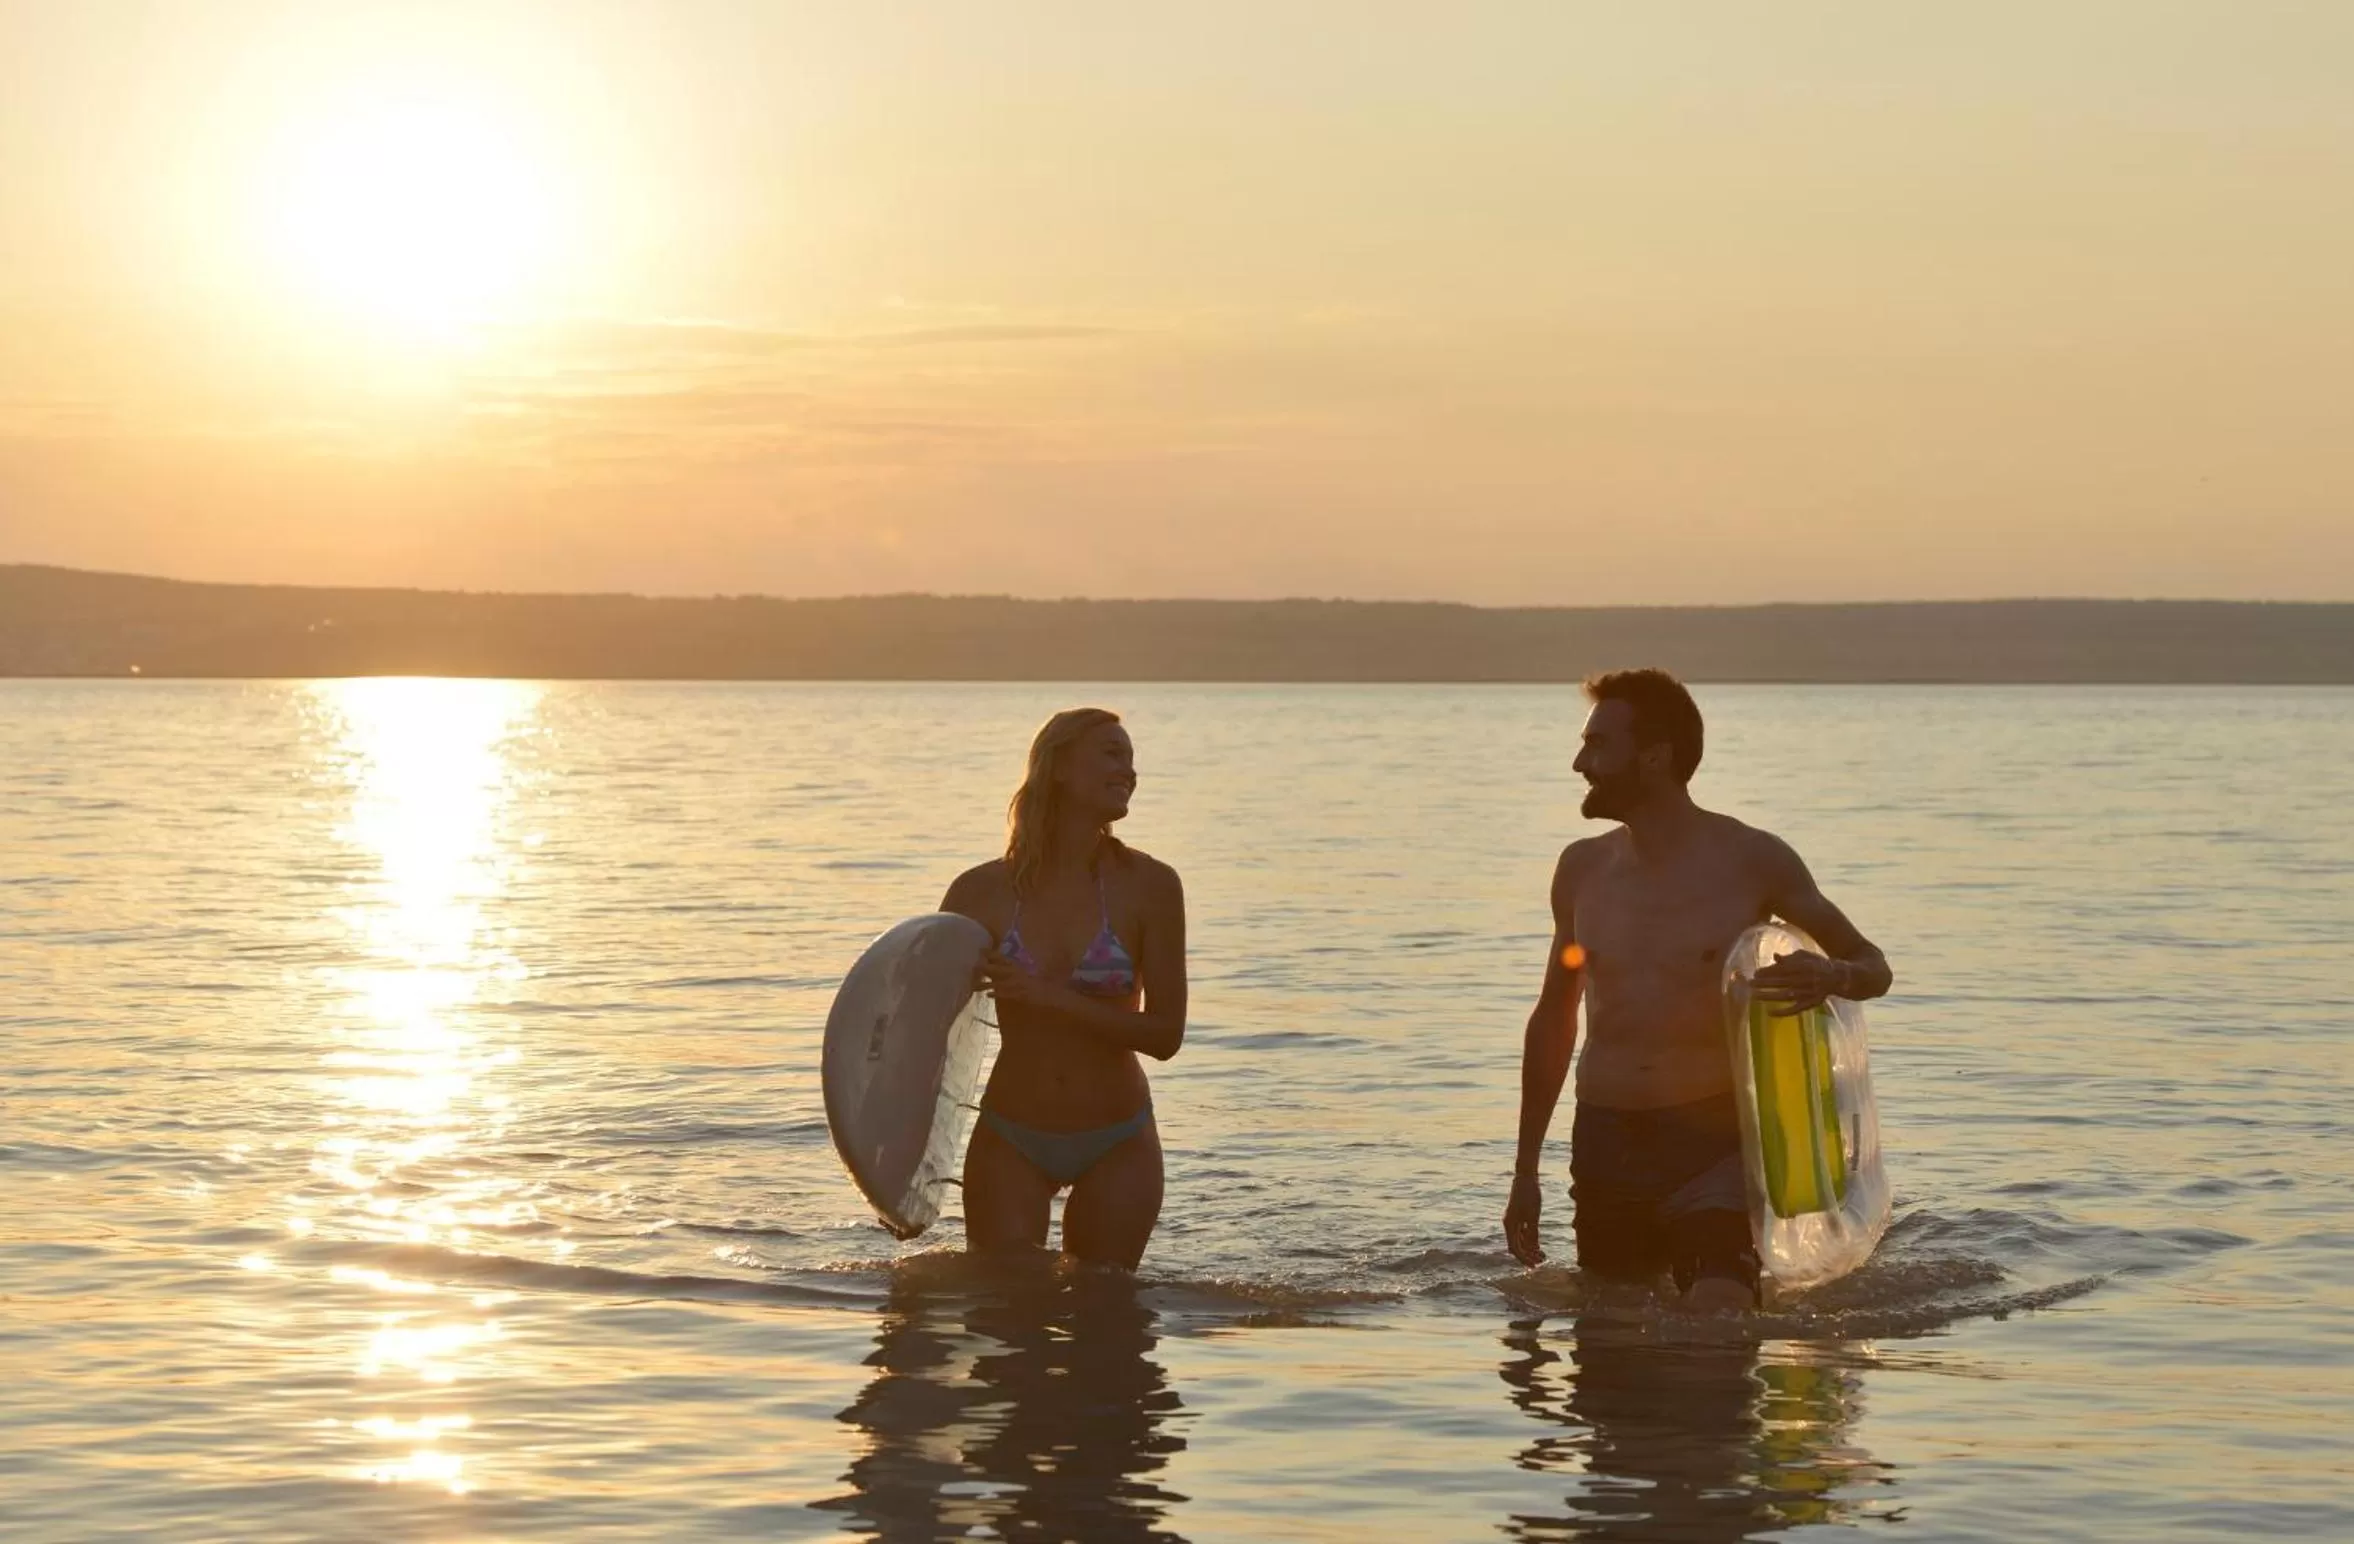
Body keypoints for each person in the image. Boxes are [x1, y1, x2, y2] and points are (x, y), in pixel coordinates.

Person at [1503, 668, 1891, 1310]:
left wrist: (1832, 975)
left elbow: (1872, 965)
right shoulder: (1581, 870)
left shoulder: (1752, 860)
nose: (1579, 763)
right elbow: (1554, 1020)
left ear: (1655, 756)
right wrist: (1524, 1173)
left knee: (1719, 1324)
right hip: (1605, 1142)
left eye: (1598, 745)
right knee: (1613, 1340)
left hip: (1712, 1142)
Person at [940, 708, 1187, 1270]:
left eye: (1131, 758)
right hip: (1011, 1134)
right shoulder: (980, 892)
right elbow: (928, 1035)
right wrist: (900, 1174)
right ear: (1058, 767)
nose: (1129, 770)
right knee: (1004, 1306)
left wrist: (1050, 998)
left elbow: (1165, 1035)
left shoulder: (1150, 886)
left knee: (1106, 1309)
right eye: (1111, 754)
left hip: (1118, 1137)